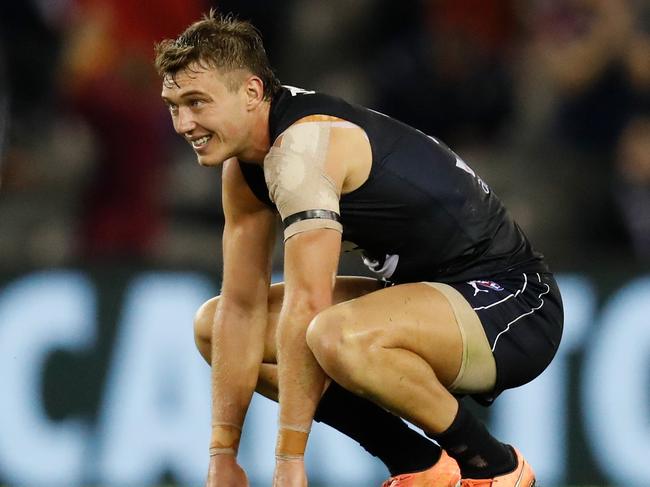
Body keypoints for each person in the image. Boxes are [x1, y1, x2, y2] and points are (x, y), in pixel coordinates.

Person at [154, 10, 563, 487]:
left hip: (509, 301)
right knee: (213, 325)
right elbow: (241, 310)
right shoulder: (244, 166)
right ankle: (419, 464)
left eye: (197, 102)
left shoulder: (303, 149)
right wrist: (222, 455)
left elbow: (308, 306)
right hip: (427, 294)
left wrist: (289, 463)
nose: (184, 123)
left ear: (251, 92)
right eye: (173, 105)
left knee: (333, 333)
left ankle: (493, 466)